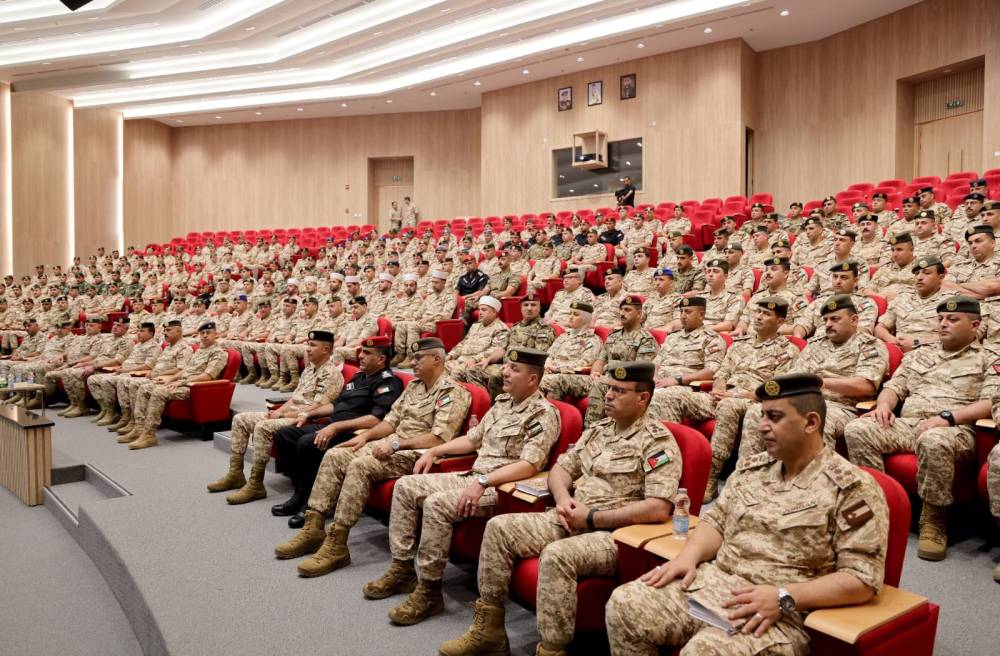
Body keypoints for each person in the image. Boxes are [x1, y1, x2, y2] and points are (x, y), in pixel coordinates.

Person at [605, 373, 889, 656]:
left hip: (781, 611)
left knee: (704, 652)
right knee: (625, 604)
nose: (761, 426)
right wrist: (688, 557)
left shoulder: (852, 487)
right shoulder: (753, 468)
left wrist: (784, 596)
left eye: (774, 417)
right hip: (716, 586)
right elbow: (716, 522)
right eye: (762, 415)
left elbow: (862, 578)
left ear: (811, 422)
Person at [438, 361, 681, 656]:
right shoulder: (599, 430)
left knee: (556, 555)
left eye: (619, 390)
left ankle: (551, 649)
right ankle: (489, 630)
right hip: (571, 516)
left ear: (642, 398)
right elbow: (561, 470)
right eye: (608, 388)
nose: (608, 395)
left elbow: (658, 508)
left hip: (614, 535)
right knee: (500, 528)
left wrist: (592, 518)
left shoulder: (657, 442)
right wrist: (563, 498)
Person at [363, 347, 561, 625]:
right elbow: (472, 440)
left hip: (501, 487)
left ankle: (429, 591)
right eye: (506, 366)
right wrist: (436, 450)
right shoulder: (502, 403)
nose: (504, 372)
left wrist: (484, 481)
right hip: (474, 475)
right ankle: (402, 568)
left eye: (514, 369)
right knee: (406, 487)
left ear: (532, 379)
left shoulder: (543, 413)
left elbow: (529, 465)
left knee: (437, 504)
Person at [274, 338, 471, 576]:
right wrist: (366, 437)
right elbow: (390, 422)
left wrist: (396, 444)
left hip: (417, 453)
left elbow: (438, 439)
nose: (412, 362)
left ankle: (337, 543)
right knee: (336, 454)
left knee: (360, 465)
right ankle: (314, 527)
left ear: (437, 359)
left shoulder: (453, 392)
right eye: (413, 358)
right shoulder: (415, 387)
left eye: (419, 358)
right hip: (392, 443)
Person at [845, 296, 992, 561]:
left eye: (952, 319)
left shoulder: (989, 358)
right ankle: (877, 506)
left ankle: (934, 520)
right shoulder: (921, 354)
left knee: (933, 439)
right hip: (910, 424)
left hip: (956, 430)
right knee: (858, 429)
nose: (943, 324)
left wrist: (948, 418)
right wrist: (884, 406)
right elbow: (894, 387)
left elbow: (991, 402)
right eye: (940, 319)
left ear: (975, 325)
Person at [651, 298, 799, 501]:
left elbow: (775, 389)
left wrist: (735, 395)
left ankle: (709, 477)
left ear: (780, 321)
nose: (758, 317)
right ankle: (666, 467)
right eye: (757, 312)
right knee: (670, 396)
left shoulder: (787, 351)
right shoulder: (741, 344)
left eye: (766, 314)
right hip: (722, 396)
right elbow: (722, 373)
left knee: (728, 406)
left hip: (752, 400)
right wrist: (719, 389)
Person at [270, 336, 403, 527]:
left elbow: (376, 419)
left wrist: (336, 427)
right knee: (285, 434)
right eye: (361, 352)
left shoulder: (388, 383)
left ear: (381, 359)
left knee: (308, 443)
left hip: (354, 433)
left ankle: (311, 502)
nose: (360, 356)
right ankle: (299, 492)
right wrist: (308, 413)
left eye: (367, 353)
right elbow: (336, 405)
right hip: (333, 425)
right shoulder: (359, 376)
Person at [741, 295, 888, 459]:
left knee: (816, 419)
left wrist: (822, 383)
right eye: (825, 320)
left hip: (840, 407)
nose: (828, 324)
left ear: (854, 320)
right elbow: (794, 377)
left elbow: (866, 386)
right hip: (802, 401)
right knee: (757, 411)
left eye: (835, 319)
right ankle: (749, 469)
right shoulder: (815, 344)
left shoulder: (870, 346)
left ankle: (817, 474)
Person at [208, 330, 344, 505]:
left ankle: (256, 484)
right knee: (240, 419)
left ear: (326, 349)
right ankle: (235, 474)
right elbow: (295, 398)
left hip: (306, 420)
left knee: (263, 427)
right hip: (289, 414)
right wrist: (278, 412)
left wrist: (282, 414)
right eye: (308, 345)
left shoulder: (331, 374)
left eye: (312, 345)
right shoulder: (310, 369)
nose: (307, 349)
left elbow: (316, 407)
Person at [120, 322, 229, 450]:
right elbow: (185, 370)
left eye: (208, 333)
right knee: (145, 388)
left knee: (159, 392)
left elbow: (207, 376)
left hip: (196, 388)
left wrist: (181, 382)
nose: (204, 336)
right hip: (183, 383)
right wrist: (171, 379)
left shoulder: (218, 352)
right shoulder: (200, 350)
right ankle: (139, 427)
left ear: (216, 334)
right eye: (202, 333)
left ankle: (149, 435)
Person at [583, 295, 658, 425]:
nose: (622, 313)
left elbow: (639, 371)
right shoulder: (613, 337)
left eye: (627, 310)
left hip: (625, 383)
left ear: (639, 314)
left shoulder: (646, 340)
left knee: (599, 385)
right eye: (621, 309)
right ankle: (591, 431)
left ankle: (591, 428)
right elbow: (600, 360)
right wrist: (595, 372)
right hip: (605, 379)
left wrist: (608, 374)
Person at [86, 322, 163, 426]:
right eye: (138, 331)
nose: (138, 333)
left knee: (107, 380)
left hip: (134, 374)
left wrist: (126, 370)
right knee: (93, 379)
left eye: (142, 331)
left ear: (151, 333)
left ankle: (126, 416)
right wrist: (121, 368)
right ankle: (107, 410)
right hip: (124, 371)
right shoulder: (138, 345)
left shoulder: (154, 347)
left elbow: (148, 366)